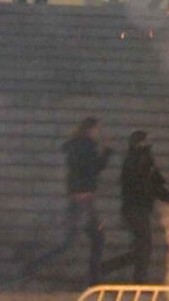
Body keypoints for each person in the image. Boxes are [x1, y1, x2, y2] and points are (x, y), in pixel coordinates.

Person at [24, 115, 110, 283]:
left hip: (79, 200)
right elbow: (93, 168)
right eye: (97, 129)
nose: (98, 133)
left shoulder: (75, 146)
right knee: (87, 240)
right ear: (90, 129)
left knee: (77, 240)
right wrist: (105, 153)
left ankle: (93, 278)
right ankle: (93, 279)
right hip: (83, 200)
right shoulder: (86, 146)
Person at [117, 131, 169, 282]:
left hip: (138, 208)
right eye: (147, 140)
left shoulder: (144, 159)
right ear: (140, 142)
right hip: (135, 208)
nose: (150, 143)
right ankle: (138, 280)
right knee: (144, 247)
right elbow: (149, 185)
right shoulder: (136, 160)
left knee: (142, 248)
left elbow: (155, 184)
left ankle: (110, 269)